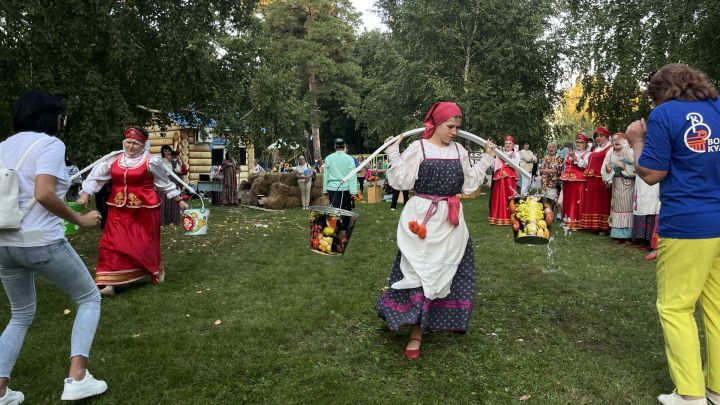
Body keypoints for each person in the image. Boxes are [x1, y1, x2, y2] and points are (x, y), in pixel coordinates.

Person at [0, 90, 107, 402]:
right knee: (89, 298)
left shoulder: (4, 146)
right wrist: (80, 218)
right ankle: (77, 378)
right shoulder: (50, 144)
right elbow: (44, 193)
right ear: (51, 117)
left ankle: (1, 389)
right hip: (39, 241)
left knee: (20, 313)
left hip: (4, 243)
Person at [626, 63, 720, 405]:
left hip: (687, 224)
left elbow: (651, 172)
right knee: (717, 308)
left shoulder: (665, 114)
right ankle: (717, 390)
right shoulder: (718, 107)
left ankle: (691, 395)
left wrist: (637, 141)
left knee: (675, 307)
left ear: (660, 92)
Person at [375, 101, 496, 360]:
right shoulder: (418, 148)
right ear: (436, 124)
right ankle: (415, 332)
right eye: (450, 126)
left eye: (457, 127)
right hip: (421, 219)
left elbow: (468, 183)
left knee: (447, 270)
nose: (454, 131)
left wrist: (487, 157)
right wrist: (395, 152)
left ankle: (436, 319)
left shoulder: (460, 151)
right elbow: (401, 181)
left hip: (450, 220)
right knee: (420, 271)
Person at [77, 127, 188, 297]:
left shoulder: (151, 161)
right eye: (128, 142)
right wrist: (85, 196)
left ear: (143, 144)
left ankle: (156, 267)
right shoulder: (114, 159)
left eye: (135, 143)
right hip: (117, 207)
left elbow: (163, 183)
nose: (131, 146)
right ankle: (109, 283)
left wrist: (178, 200)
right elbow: (95, 177)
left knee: (142, 244)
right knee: (110, 242)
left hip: (144, 210)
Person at [601, 133, 635, 243]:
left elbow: (637, 168)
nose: (616, 142)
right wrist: (608, 169)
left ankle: (628, 235)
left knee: (627, 207)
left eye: (619, 139)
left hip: (628, 183)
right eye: (614, 140)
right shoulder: (610, 153)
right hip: (616, 183)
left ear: (624, 141)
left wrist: (625, 167)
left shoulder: (630, 152)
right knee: (617, 207)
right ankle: (617, 234)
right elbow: (604, 167)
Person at [580, 127, 613, 234]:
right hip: (592, 179)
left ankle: (603, 227)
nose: (598, 138)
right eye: (597, 136)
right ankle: (593, 225)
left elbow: (610, 164)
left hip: (602, 180)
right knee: (593, 203)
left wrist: (609, 180)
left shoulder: (610, 148)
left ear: (607, 137)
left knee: (602, 203)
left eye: (601, 136)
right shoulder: (595, 148)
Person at [559, 133, 590, 230]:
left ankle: (577, 223)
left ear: (585, 144)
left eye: (581, 142)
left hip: (579, 181)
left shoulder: (587, 154)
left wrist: (575, 158)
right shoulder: (571, 152)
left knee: (576, 201)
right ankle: (567, 221)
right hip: (568, 180)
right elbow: (566, 165)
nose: (578, 144)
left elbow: (585, 166)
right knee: (567, 201)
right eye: (577, 142)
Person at [488, 135, 520, 225]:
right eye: (506, 143)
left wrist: (508, 162)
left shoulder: (516, 154)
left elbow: (516, 164)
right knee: (499, 195)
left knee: (509, 195)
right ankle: (498, 217)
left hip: (510, 177)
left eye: (510, 143)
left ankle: (510, 217)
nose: (508, 145)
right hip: (500, 176)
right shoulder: (500, 153)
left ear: (513, 145)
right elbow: (495, 164)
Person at [322, 139, 358, 211]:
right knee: (346, 210)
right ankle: (345, 222)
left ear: (335, 146)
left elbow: (325, 175)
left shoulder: (328, 158)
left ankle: (336, 222)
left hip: (332, 187)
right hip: (346, 188)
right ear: (344, 146)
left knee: (334, 210)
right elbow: (353, 176)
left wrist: (325, 190)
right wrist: (353, 191)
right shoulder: (349, 159)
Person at [632, 175, 659, 250]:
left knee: (651, 209)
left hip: (653, 183)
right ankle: (640, 239)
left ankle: (648, 241)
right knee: (641, 207)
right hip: (641, 181)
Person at [159, 145, 182, 226]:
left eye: (168, 151)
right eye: (165, 151)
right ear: (162, 152)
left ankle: (173, 221)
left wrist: (172, 161)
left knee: (173, 201)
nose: (167, 152)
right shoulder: (160, 160)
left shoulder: (175, 160)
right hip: (163, 182)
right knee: (163, 201)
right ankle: (163, 221)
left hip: (173, 182)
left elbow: (179, 171)